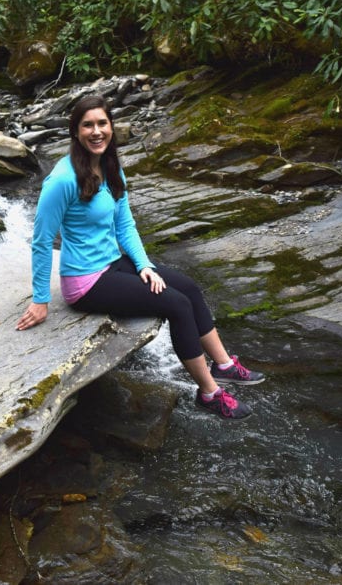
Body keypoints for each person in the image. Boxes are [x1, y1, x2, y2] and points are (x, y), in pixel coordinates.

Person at [16, 94, 264, 419]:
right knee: (176, 304)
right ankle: (209, 394)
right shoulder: (62, 181)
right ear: (75, 132)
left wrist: (143, 264)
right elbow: (42, 240)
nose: (96, 131)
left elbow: (125, 224)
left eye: (102, 123)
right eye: (87, 125)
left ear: (111, 127)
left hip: (113, 263)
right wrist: (40, 298)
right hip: (86, 282)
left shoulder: (110, 165)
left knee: (187, 287)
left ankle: (225, 365)